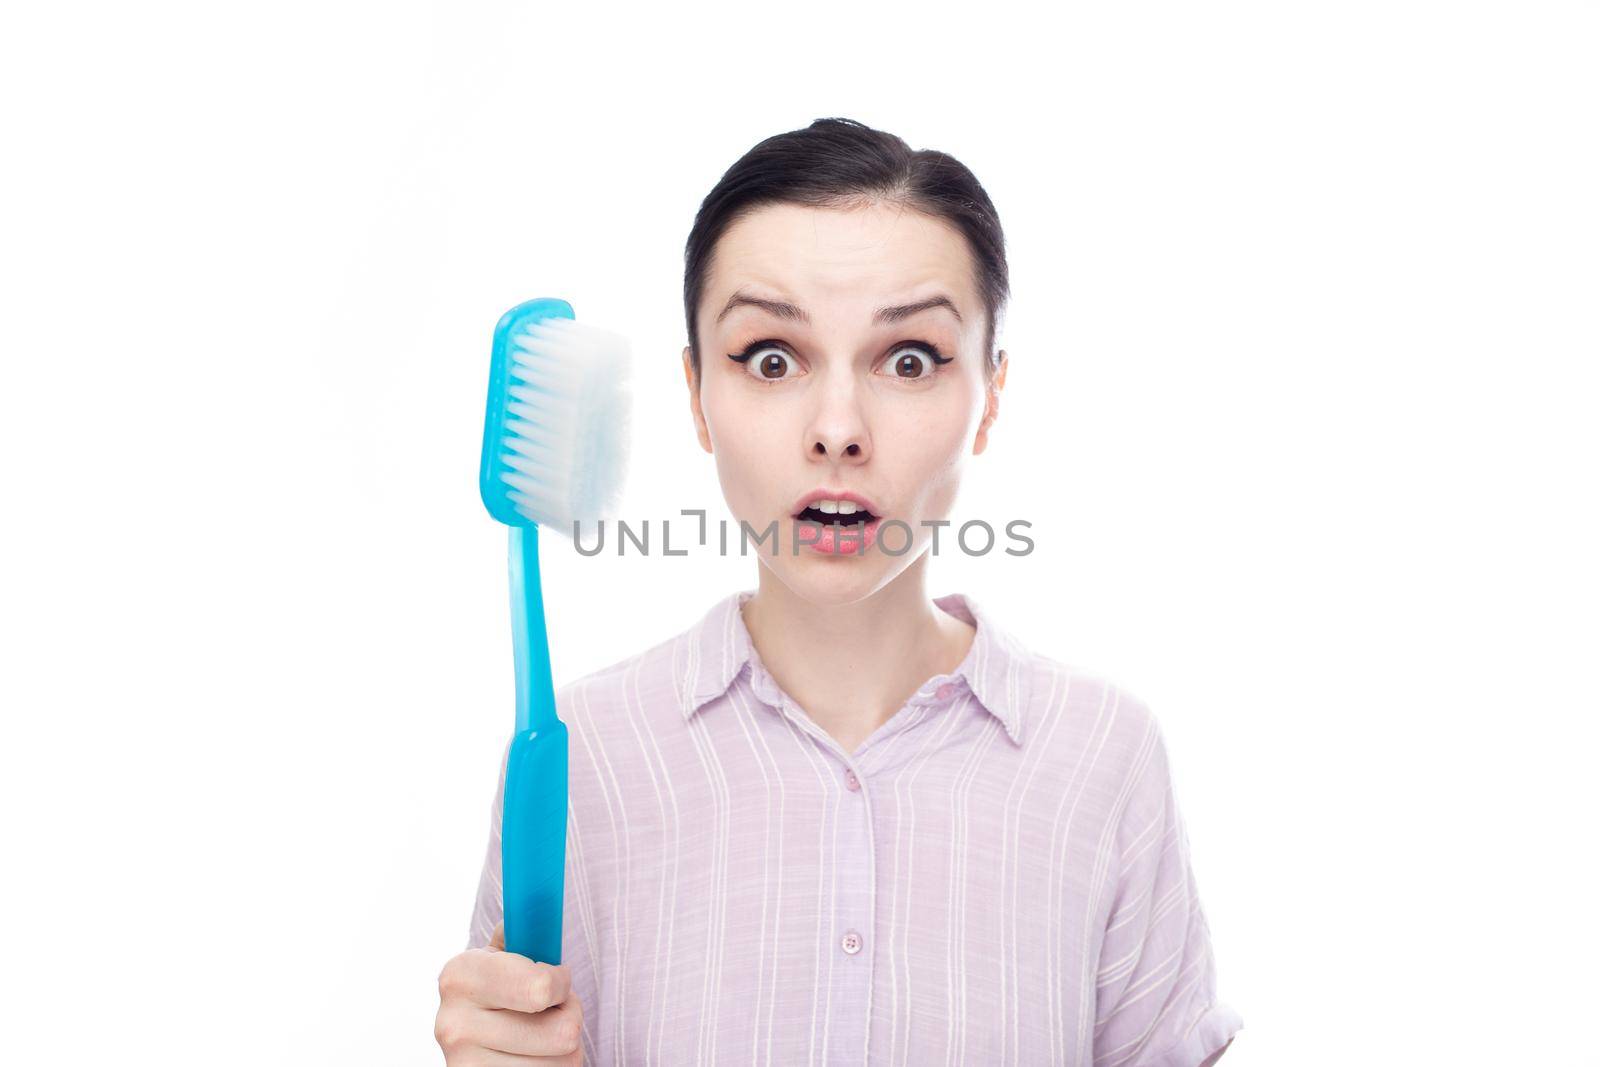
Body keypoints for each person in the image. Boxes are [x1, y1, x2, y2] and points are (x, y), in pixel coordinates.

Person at [435, 117, 1241, 1066]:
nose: (837, 429)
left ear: (992, 394)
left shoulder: (1105, 758)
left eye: (909, 360)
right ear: (696, 395)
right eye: (771, 357)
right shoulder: (583, 762)